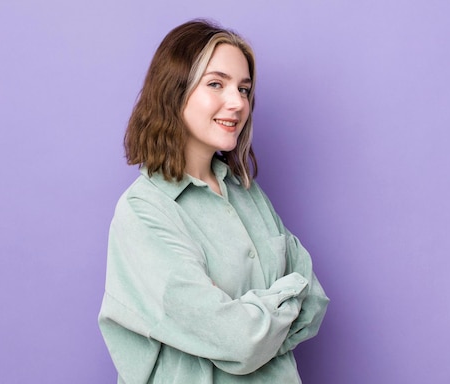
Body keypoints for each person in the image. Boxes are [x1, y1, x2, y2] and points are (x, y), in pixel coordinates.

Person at [98, 19, 330, 383]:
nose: (237, 103)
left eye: (244, 88)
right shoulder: (144, 212)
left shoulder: (248, 193)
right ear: (174, 91)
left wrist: (252, 319)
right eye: (216, 84)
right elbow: (239, 340)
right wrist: (274, 308)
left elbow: (314, 299)